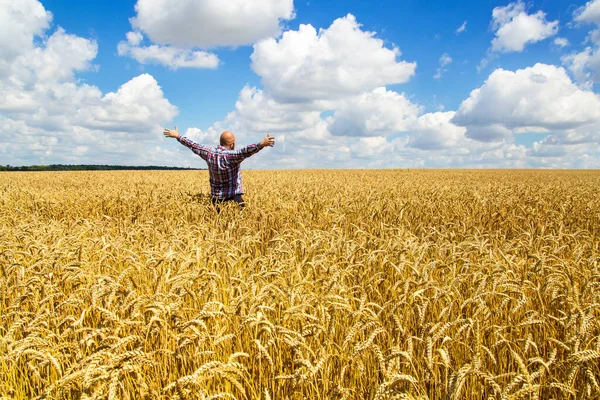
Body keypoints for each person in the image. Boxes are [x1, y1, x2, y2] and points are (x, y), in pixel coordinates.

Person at [163, 126, 275, 208]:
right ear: (232, 144)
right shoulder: (232, 156)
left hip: (216, 200)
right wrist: (261, 144)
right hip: (235, 199)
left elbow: (193, 144)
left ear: (220, 142)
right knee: (242, 223)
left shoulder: (208, 153)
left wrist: (177, 136)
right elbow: (245, 151)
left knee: (217, 226)